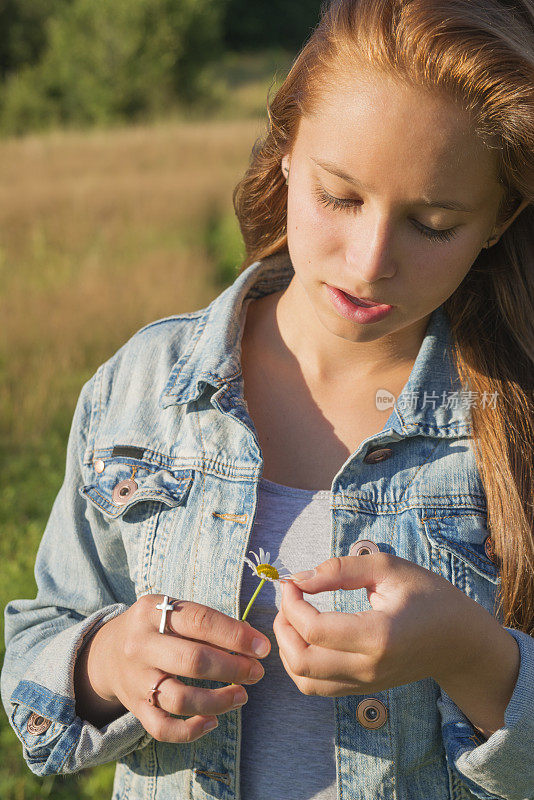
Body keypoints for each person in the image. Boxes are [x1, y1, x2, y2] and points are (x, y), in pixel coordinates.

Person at [2, 0, 534, 797]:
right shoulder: (143, 389)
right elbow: (37, 651)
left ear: (498, 221)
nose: (369, 260)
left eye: (432, 223)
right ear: (286, 152)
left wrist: (473, 657)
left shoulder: (516, 420)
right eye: (340, 197)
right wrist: (109, 660)